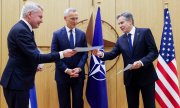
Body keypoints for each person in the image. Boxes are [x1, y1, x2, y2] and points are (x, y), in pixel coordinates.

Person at [0, 1, 76, 108]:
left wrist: (34, 65)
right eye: (40, 17)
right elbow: (36, 56)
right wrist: (62, 54)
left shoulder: (25, 29)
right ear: (30, 14)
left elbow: (26, 55)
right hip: (16, 83)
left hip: (19, 82)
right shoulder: (21, 30)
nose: (42, 21)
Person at [93, 12, 158, 108]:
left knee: (149, 105)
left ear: (130, 21)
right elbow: (112, 54)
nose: (120, 26)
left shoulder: (145, 32)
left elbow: (154, 52)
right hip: (130, 79)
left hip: (146, 77)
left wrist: (141, 62)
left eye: (122, 23)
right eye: (119, 23)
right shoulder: (120, 40)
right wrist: (100, 54)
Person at [51, 8, 88, 108]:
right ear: (65, 18)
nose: (75, 21)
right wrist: (66, 70)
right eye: (72, 19)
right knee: (64, 104)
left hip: (78, 75)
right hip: (62, 75)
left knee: (78, 103)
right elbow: (54, 55)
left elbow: (85, 53)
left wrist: (79, 68)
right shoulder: (57, 34)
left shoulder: (82, 34)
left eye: (76, 18)